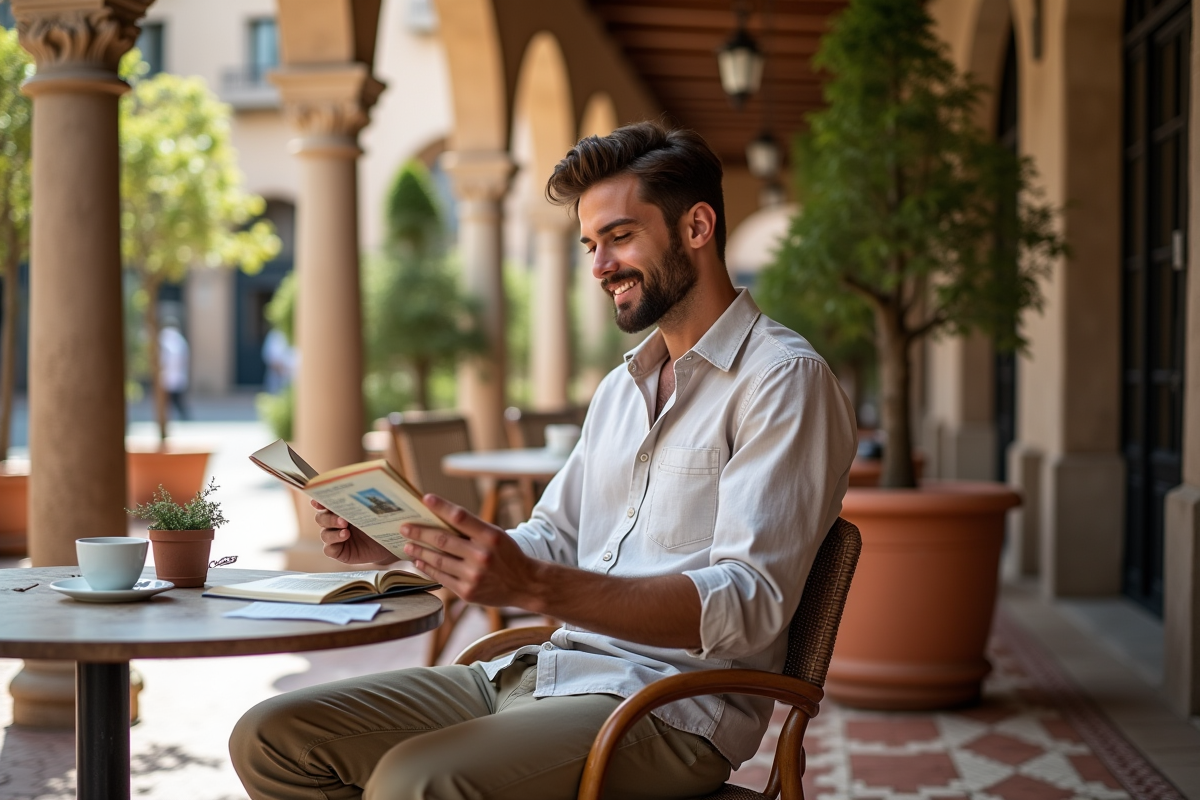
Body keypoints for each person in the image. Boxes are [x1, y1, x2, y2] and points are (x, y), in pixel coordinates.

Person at [229, 121, 857, 800]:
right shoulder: (622, 390)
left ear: (697, 227)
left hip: (668, 708)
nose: (598, 267)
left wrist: (534, 587)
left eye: (619, 237)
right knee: (272, 737)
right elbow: (551, 538)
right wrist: (408, 542)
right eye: (590, 244)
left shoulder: (782, 380)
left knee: (416, 783)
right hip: (544, 669)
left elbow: (750, 603)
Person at [159, 322, 190, 420]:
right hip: (172, 374)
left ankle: (182, 415)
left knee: (175, 398)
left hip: (173, 374)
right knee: (173, 398)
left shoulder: (172, 340)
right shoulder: (173, 340)